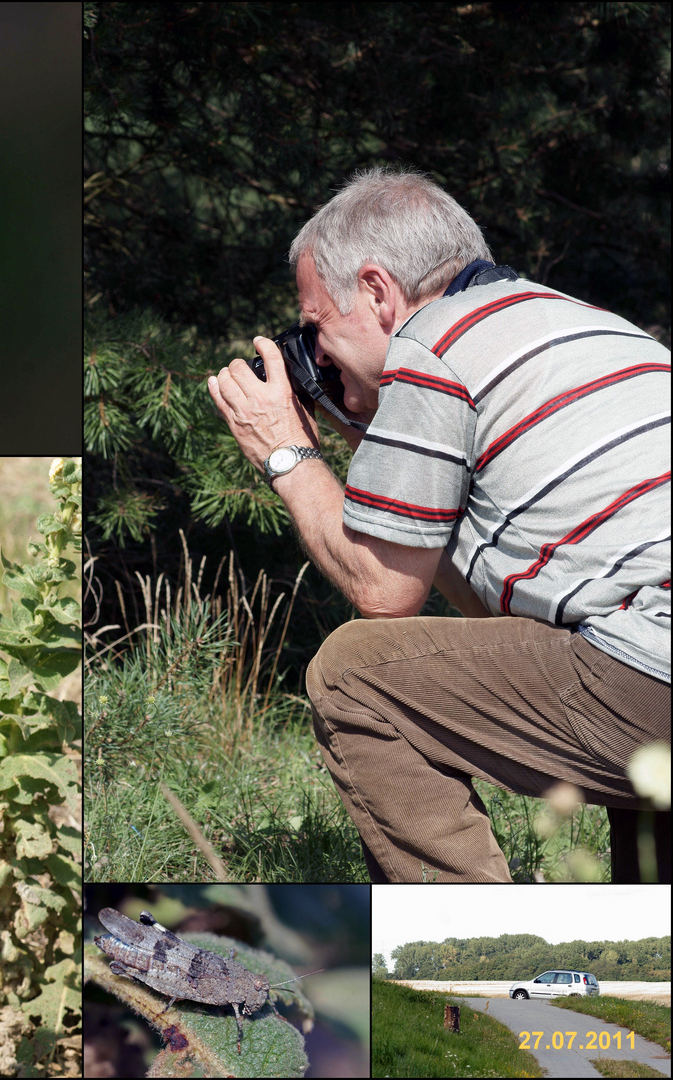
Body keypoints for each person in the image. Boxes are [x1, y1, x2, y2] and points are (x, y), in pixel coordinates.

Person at [206, 164, 670, 883]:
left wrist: (287, 453)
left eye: (315, 328)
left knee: (355, 674)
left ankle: (475, 939)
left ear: (377, 290)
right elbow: (505, 620)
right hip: (649, 651)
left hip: (653, 667)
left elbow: (384, 596)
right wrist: (373, 441)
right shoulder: (594, 328)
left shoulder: (432, 345)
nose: (317, 358)